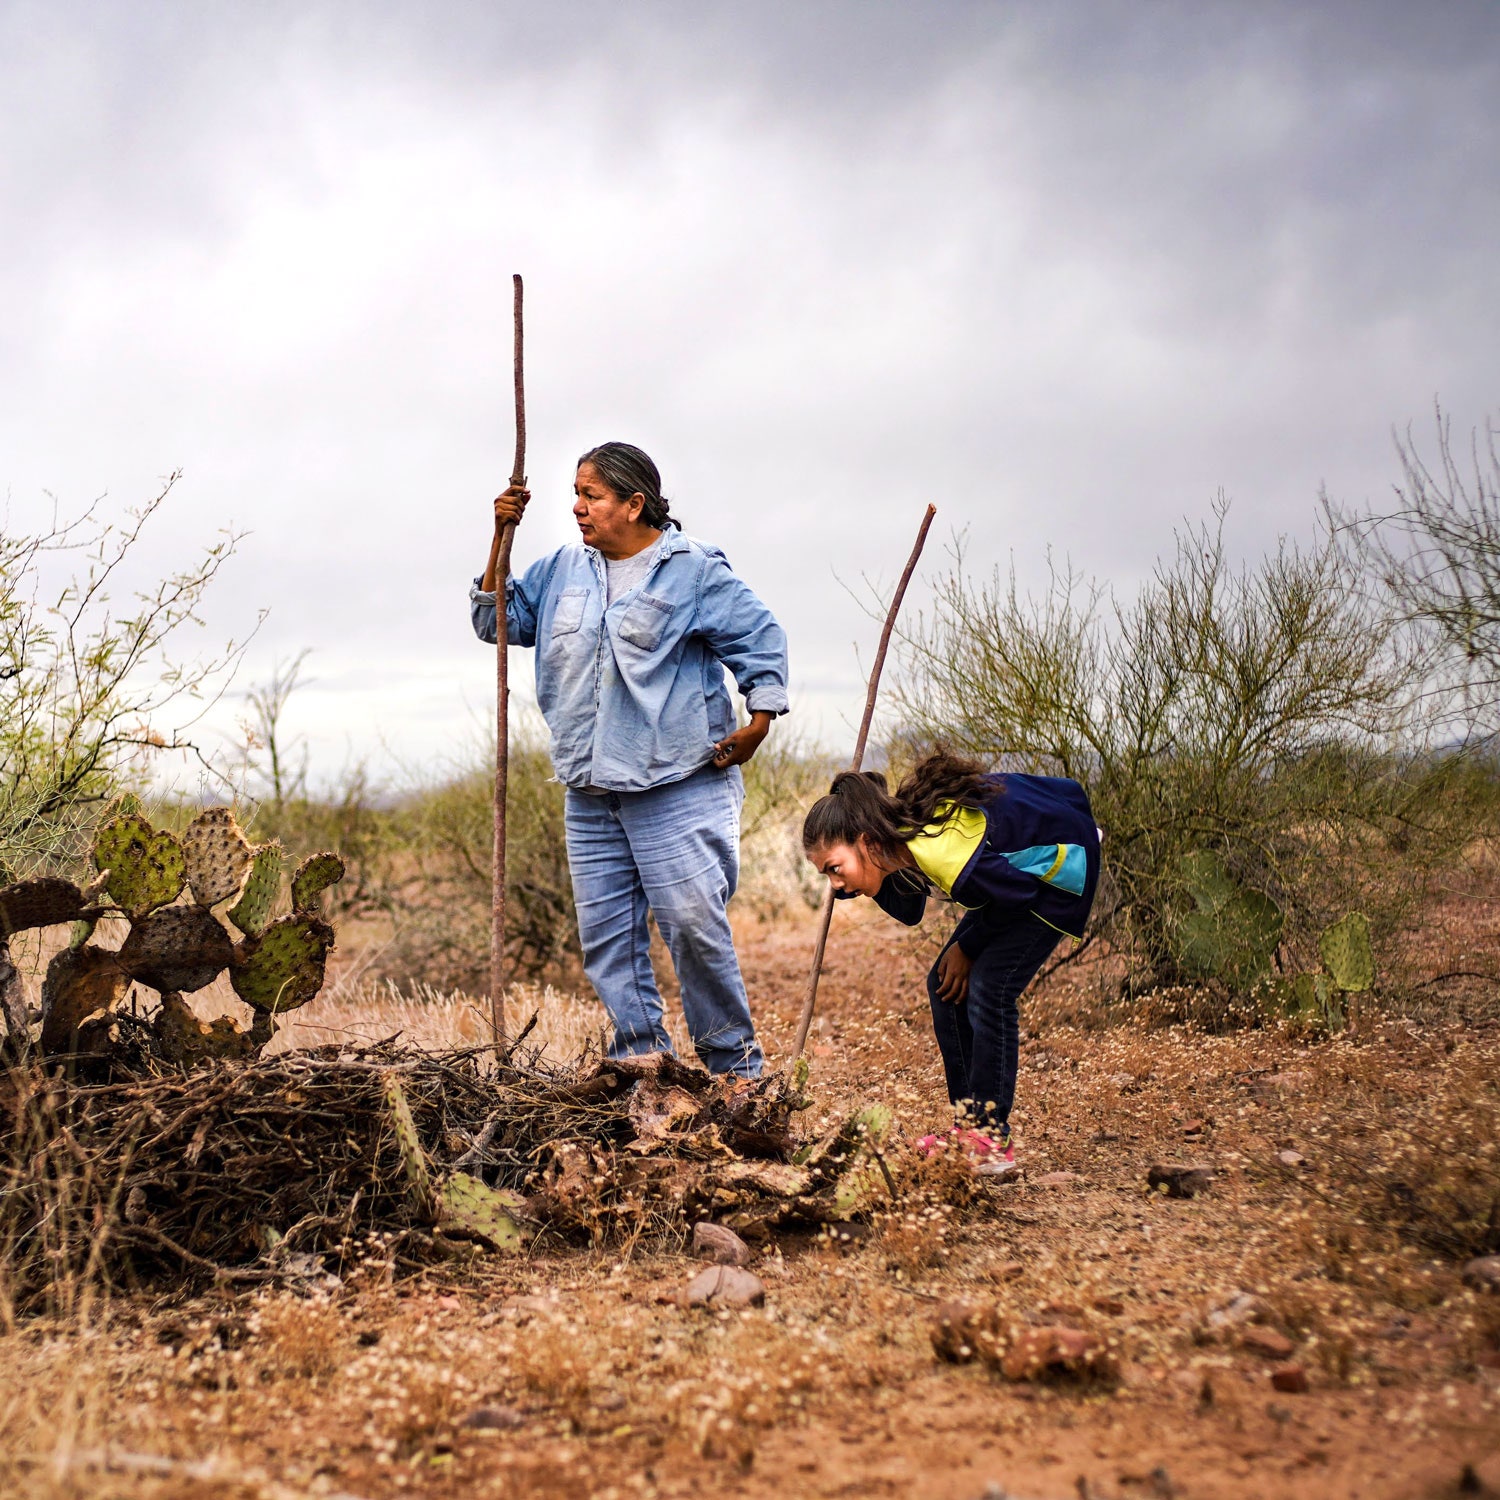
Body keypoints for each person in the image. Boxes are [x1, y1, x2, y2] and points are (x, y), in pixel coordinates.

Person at [470, 441, 787, 1078]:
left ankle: (736, 1075)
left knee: (694, 928)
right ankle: (644, 1070)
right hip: (589, 789)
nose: (578, 508)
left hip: (678, 782)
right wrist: (500, 538)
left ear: (634, 503)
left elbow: (759, 639)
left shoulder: (692, 570)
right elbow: (495, 622)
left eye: (592, 496)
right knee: (609, 942)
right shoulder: (562, 568)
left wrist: (758, 722)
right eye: (577, 495)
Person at [801, 751, 1100, 1175]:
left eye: (835, 868)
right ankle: (970, 1129)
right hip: (1011, 888)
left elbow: (1018, 895)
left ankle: (990, 1140)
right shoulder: (899, 843)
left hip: (1055, 877)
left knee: (988, 988)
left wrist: (970, 946)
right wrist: (853, 881)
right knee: (944, 985)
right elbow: (909, 910)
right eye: (826, 875)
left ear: (867, 842)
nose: (834, 884)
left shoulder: (941, 853)